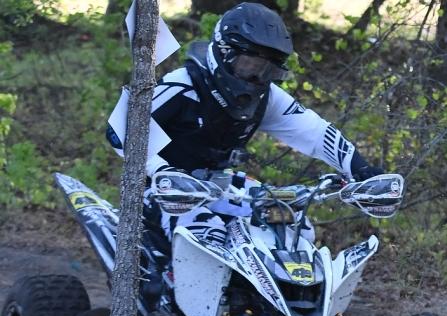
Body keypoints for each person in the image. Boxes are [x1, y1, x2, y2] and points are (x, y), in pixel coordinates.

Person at [106, 2, 383, 269]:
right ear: (224, 53)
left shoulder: (267, 97)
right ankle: (175, 294)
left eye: (268, 70)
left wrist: (360, 169)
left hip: (218, 185)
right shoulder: (184, 84)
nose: (257, 78)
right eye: (250, 65)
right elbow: (119, 129)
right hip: (161, 189)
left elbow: (315, 132)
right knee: (206, 234)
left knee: (293, 227)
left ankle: (265, 297)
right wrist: (161, 170)